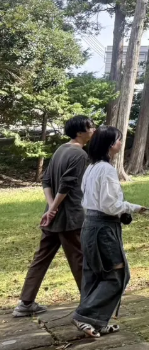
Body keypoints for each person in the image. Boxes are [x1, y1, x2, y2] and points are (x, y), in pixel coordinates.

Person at [13, 116, 95, 318]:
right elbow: (67, 184)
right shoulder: (79, 154)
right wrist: (55, 208)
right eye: (90, 127)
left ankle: (25, 303)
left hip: (52, 217)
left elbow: (47, 180)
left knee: (41, 258)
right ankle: (90, 306)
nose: (93, 130)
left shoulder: (61, 149)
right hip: (70, 217)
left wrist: (50, 208)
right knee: (80, 259)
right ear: (79, 132)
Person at [72, 126, 148, 338]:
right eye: (118, 140)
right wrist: (132, 207)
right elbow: (110, 205)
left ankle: (97, 322)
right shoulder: (105, 169)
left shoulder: (92, 167)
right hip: (103, 229)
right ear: (109, 144)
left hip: (91, 227)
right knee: (117, 275)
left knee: (95, 275)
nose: (121, 144)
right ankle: (85, 316)